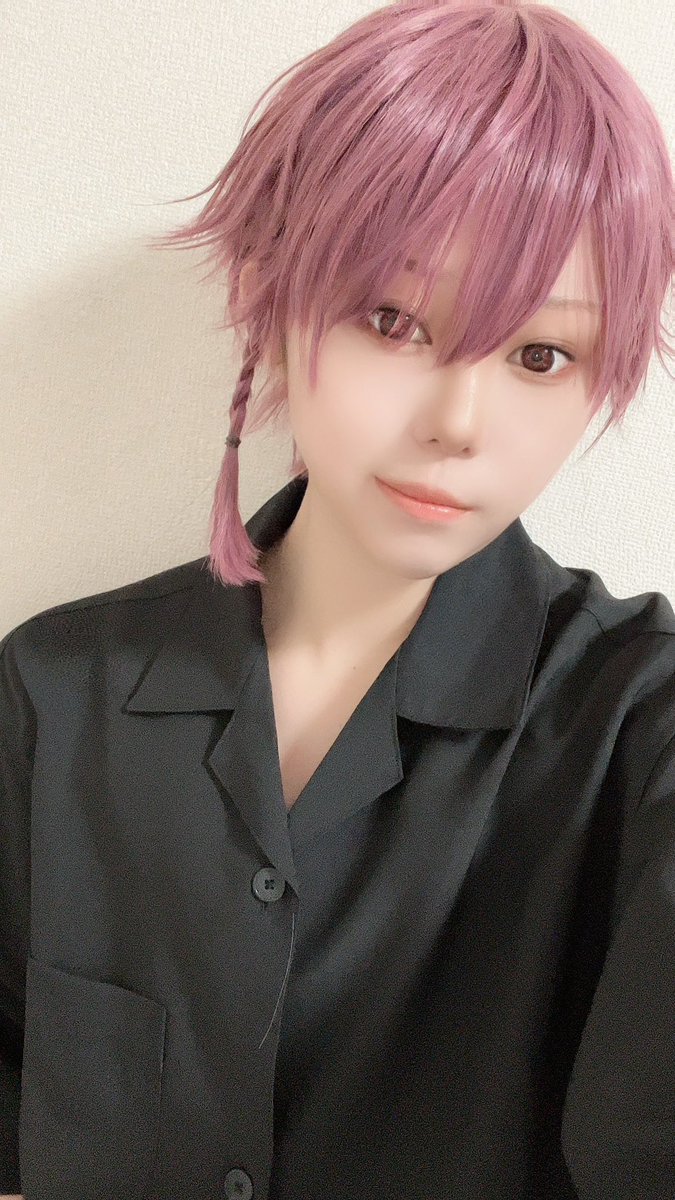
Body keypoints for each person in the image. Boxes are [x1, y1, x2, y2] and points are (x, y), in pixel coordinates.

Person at [1, 1, 673, 1197]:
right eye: (394, 321)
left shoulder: (634, 722)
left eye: (541, 355)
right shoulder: (54, 695)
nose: (459, 423)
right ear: (273, 292)